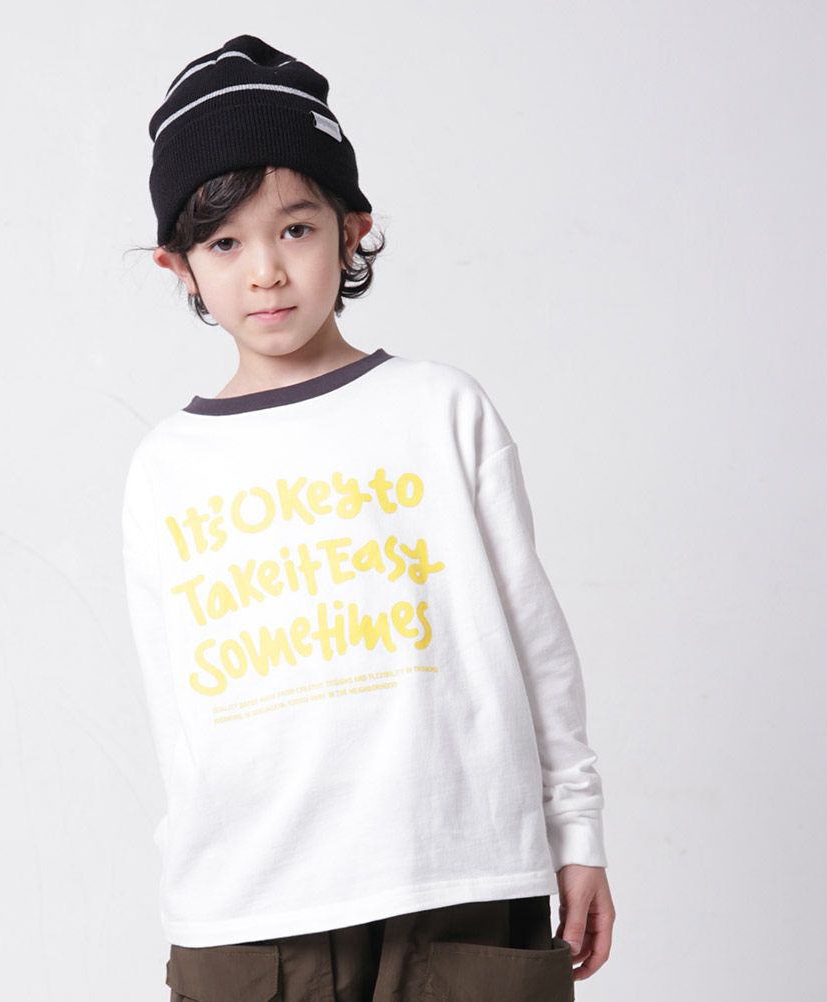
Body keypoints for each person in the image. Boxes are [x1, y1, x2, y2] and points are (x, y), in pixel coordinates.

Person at [122, 33, 616, 1000]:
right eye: (225, 243)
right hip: (251, 912)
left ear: (353, 231)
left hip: (459, 880)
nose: (265, 270)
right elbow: (176, 715)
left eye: (295, 229)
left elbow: (535, 643)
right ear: (179, 267)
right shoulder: (165, 468)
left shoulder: (440, 410)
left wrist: (579, 831)